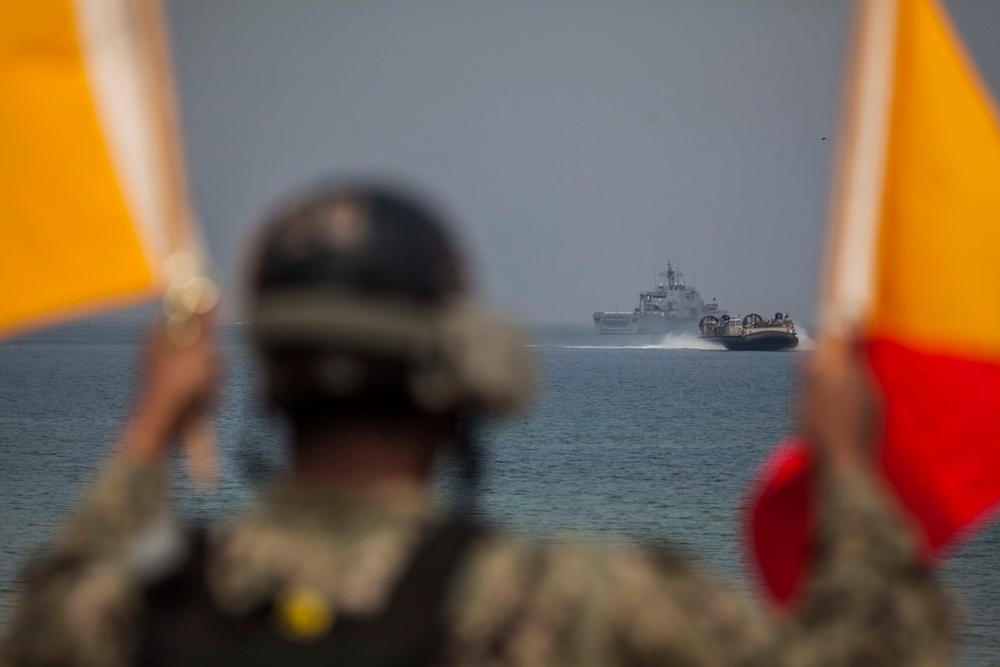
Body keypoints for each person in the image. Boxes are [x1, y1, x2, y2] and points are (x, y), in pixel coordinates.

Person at [0, 183, 951, 667]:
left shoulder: (131, 620)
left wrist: (145, 436)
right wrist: (847, 466)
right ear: (465, 376)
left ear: (263, 380)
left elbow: (43, 619)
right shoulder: (577, 603)